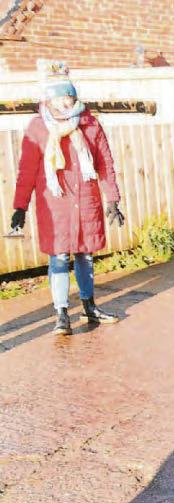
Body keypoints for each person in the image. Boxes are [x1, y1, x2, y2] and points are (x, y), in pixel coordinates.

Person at [10, 61, 125, 336]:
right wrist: (19, 207)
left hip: (86, 201)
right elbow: (26, 171)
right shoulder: (38, 127)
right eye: (59, 98)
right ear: (48, 100)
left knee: (85, 255)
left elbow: (105, 163)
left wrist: (112, 199)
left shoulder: (90, 123)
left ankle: (89, 306)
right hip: (55, 204)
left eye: (68, 97)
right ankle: (61, 313)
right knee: (59, 257)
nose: (64, 103)